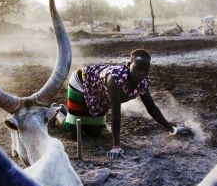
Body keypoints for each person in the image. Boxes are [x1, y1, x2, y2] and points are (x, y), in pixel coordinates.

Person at [56, 49, 191, 159]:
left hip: (99, 95)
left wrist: (172, 129)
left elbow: (152, 108)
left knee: (94, 131)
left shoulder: (143, 81)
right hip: (81, 82)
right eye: (138, 69)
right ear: (128, 65)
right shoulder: (114, 79)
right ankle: (58, 113)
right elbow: (116, 113)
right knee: (74, 131)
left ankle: (69, 112)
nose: (142, 73)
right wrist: (116, 146)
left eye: (146, 70)